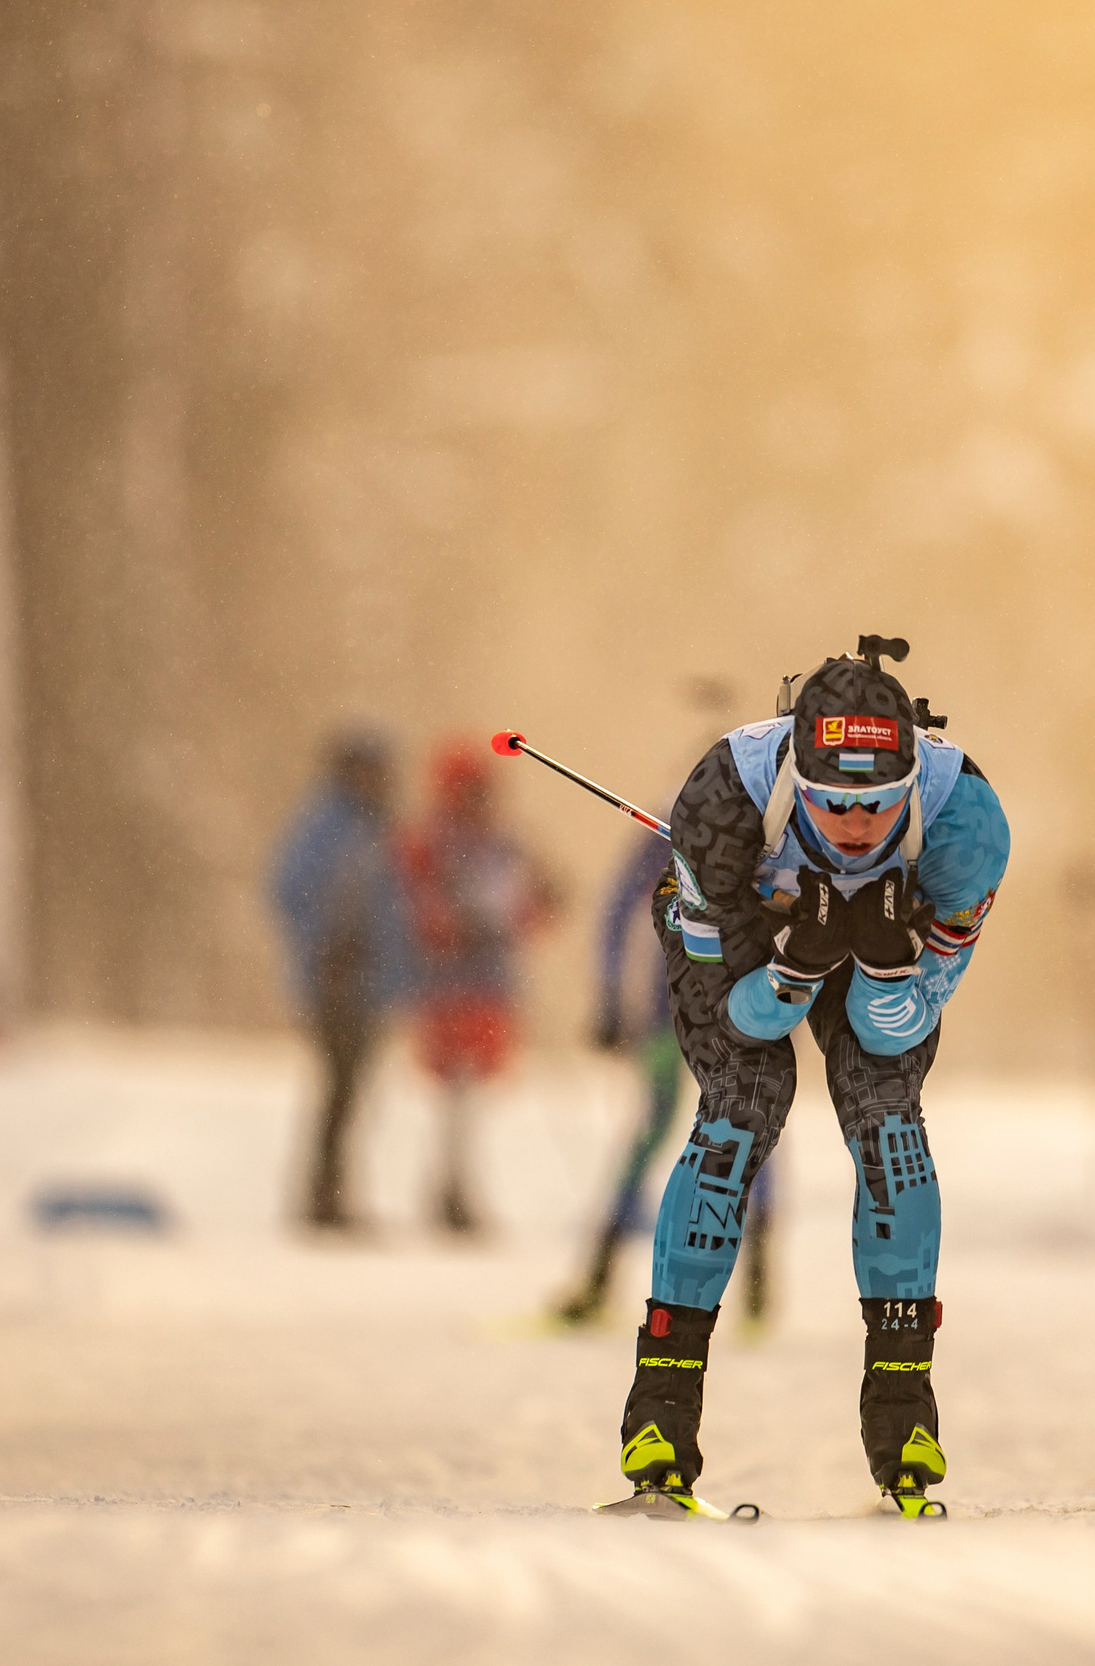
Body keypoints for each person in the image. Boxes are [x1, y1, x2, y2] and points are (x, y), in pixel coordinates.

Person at [610, 639, 1010, 1520]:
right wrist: (795, 963)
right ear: (798, 769)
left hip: (878, 957)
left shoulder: (966, 828)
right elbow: (738, 1022)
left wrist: (880, 962)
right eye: (831, 804)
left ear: (914, 774)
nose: (855, 826)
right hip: (746, 938)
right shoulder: (723, 803)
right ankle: (661, 1416)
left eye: (877, 804)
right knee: (743, 1107)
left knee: (888, 1120)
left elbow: (895, 1030)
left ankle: (905, 1413)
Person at [555, 828, 774, 1328]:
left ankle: (757, 1287)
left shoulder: (765, 823)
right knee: (684, 1130)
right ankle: (601, 1277)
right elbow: (618, 913)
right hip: (677, 1014)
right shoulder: (674, 825)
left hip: (726, 1011)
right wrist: (610, 998)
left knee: (747, 1131)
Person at [397, 742, 557, 1236]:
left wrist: (543, 904)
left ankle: (456, 1187)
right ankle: (450, 1191)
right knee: (455, 1092)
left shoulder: (502, 843)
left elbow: (521, 908)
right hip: (450, 985)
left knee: (468, 1095)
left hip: (487, 986)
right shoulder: (433, 842)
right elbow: (416, 909)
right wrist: (460, 929)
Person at [271, 729, 414, 1231]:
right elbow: (289, 890)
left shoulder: (376, 827)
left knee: (352, 1095)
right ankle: (322, 1199)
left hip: (369, 984)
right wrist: (326, 946)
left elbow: (393, 910)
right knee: (339, 1092)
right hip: (335, 984)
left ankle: (333, 1194)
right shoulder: (326, 826)